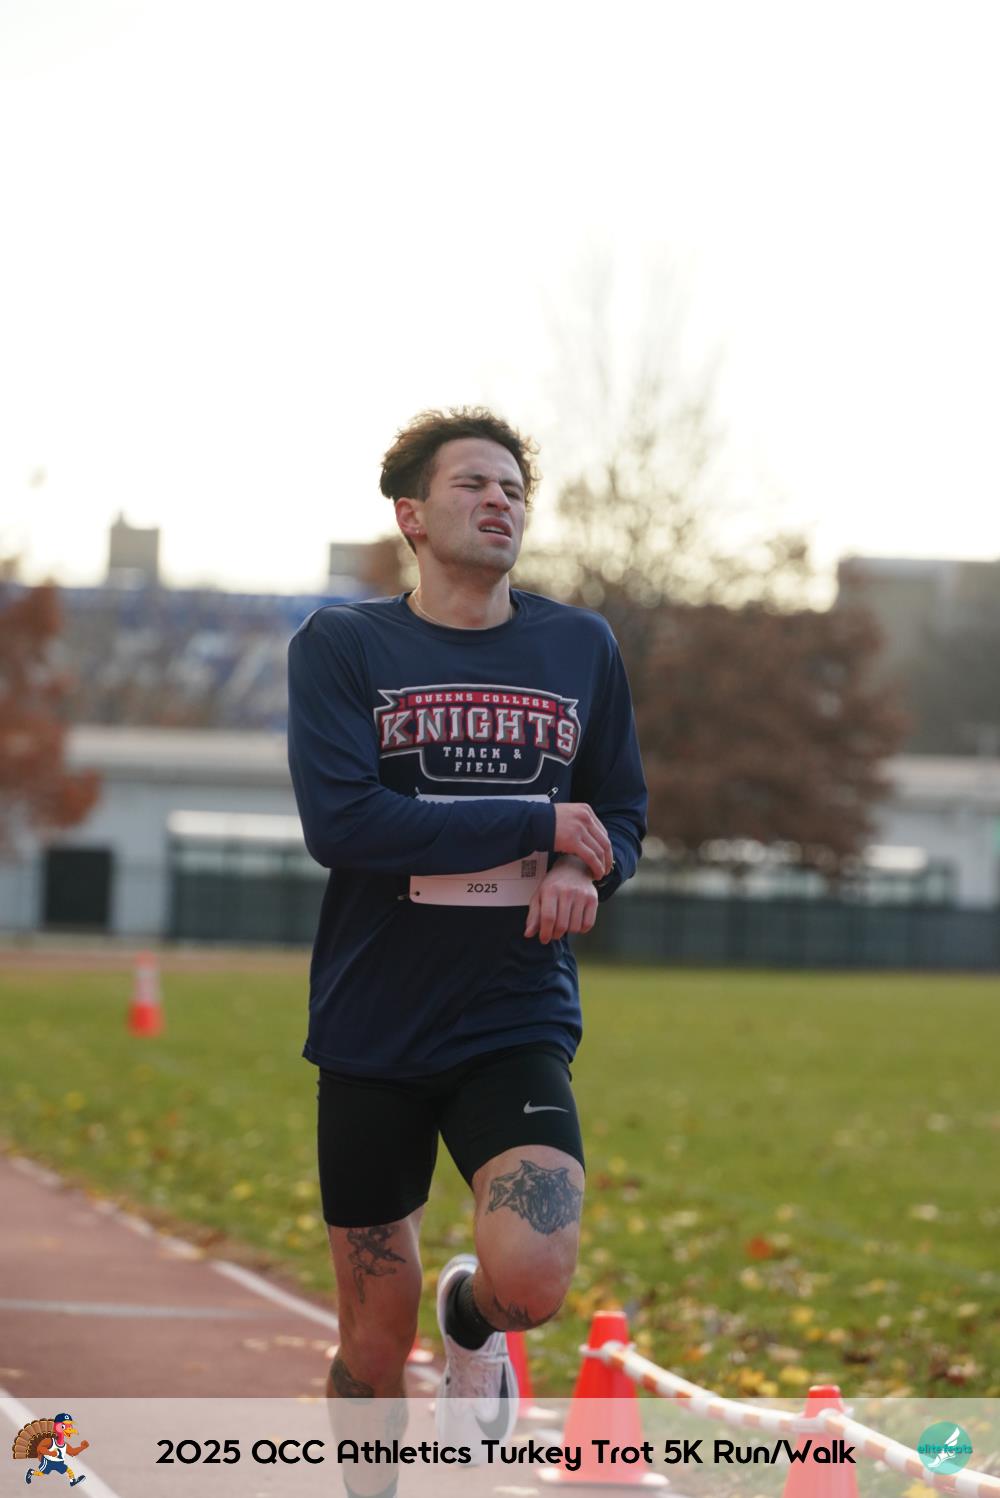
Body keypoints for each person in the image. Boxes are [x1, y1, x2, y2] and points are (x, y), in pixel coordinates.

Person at [286, 407, 646, 1471]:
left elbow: (619, 811)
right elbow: (344, 824)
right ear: (411, 514)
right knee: (371, 1343)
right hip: (372, 1022)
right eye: (472, 484)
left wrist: (585, 866)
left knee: (531, 1280)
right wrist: (538, 823)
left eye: (514, 490)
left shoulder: (579, 646)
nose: (500, 502)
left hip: (512, 1009)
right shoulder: (344, 646)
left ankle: (471, 1317)